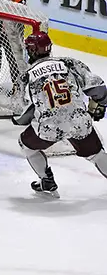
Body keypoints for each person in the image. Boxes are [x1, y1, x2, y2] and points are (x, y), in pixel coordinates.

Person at [12, 32, 107, 198]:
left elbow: (21, 114)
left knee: (26, 145)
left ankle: (46, 180)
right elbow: (98, 87)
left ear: (32, 51)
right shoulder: (69, 63)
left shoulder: (25, 77)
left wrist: (18, 119)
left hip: (50, 127)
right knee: (97, 155)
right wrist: (102, 103)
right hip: (78, 120)